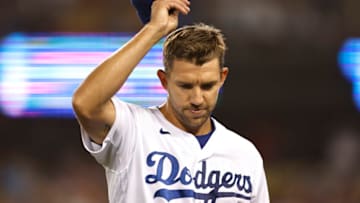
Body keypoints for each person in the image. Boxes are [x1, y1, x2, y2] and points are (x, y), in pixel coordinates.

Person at [72, 0, 270, 202]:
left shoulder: (245, 154)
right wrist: (154, 30)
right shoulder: (133, 131)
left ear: (222, 78)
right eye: (185, 86)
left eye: (207, 86)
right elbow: (85, 103)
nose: (197, 99)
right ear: (164, 80)